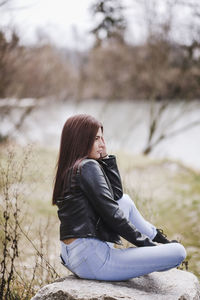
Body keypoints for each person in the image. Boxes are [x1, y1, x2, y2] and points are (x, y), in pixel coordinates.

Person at [52, 114, 186, 281]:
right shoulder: (88, 166)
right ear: (81, 140)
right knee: (179, 252)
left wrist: (106, 159)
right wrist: (148, 247)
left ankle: (160, 240)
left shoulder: (72, 167)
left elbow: (116, 196)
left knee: (125, 201)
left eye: (102, 138)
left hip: (73, 255)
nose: (102, 144)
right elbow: (113, 215)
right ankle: (155, 248)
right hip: (92, 258)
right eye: (96, 139)